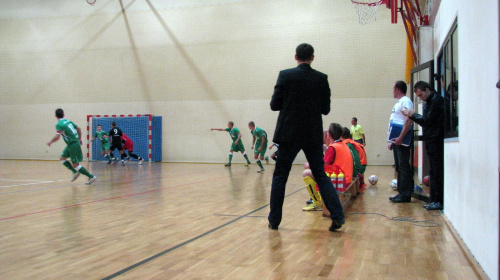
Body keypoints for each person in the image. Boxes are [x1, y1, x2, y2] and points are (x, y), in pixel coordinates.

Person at [268, 43, 345, 231]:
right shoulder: (321, 78)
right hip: (312, 133)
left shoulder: (285, 75)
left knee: (280, 176)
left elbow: (274, 104)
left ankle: (274, 221)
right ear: (312, 58)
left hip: (289, 133)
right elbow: (325, 109)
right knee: (320, 175)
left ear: (296, 57)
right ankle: (337, 215)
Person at [402, 81, 444, 210]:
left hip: (436, 140)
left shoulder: (436, 101)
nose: (420, 98)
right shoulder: (430, 102)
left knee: (437, 171)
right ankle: (434, 199)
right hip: (431, 140)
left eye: (421, 95)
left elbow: (427, 121)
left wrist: (412, 114)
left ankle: (438, 200)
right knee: (433, 170)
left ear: (427, 89)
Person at [302, 125, 353, 212]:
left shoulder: (333, 147)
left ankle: (317, 202)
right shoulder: (342, 145)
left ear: (329, 135)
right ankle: (319, 198)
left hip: (340, 181)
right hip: (346, 178)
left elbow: (321, 165)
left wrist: (309, 164)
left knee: (306, 173)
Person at [47, 108, 97, 185]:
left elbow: (57, 136)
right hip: (71, 144)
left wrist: (51, 141)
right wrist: (80, 139)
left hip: (73, 144)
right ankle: (75, 172)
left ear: (56, 116)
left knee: (76, 165)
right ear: (63, 114)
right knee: (62, 159)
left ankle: (91, 176)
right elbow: (79, 128)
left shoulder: (59, 124)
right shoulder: (68, 121)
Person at [388, 81, 414, 203]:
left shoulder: (405, 101)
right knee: (399, 167)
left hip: (402, 140)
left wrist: (401, 138)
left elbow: (408, 121)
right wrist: (392, 141)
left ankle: (405, 194)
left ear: (397, 89)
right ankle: (401, 192)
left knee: (403, 167)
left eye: (393, 88)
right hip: (397, 140)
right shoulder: (399, 103)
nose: (392, 91)